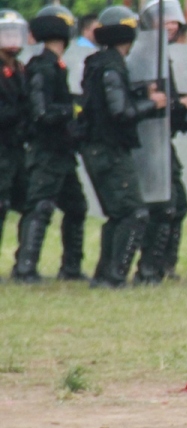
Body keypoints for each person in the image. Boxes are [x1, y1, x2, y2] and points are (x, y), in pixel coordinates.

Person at [80, 5, 167, 288]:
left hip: (99, 148)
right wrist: (152, 103)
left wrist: (140, 94)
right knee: (133, 213)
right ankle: (115, 276)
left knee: (119, 214)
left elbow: (110, 103)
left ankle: (105, 276)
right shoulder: (111, 67)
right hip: (108, 149)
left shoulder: (100, 64)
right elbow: (120, 112)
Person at [13, 5, 89, 283]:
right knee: (40, 206)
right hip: (46, 150)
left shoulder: (54, 66)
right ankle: (25, 268)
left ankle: (70, 268)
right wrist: (73, 109)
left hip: (61, 150)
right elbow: (41, 112)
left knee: (77, 207)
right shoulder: (42, 67)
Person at [133, 0, 187, 285]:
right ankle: (149, 269)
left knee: (178, 204)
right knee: (163, 206)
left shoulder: (162, 55)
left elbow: (168, 105)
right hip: (146, 144)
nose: (172, 25)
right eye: (166, 20)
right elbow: (151, 102)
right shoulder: (144, 54)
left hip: (162, 143)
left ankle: (164, 265)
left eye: (175, 20)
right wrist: (180, 104)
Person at [0, 9, 30, 271]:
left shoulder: (21, 69)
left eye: (15, 32)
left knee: (29, 202)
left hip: (17, 148)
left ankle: (24, 264)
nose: (12, 39)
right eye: (5, 33)